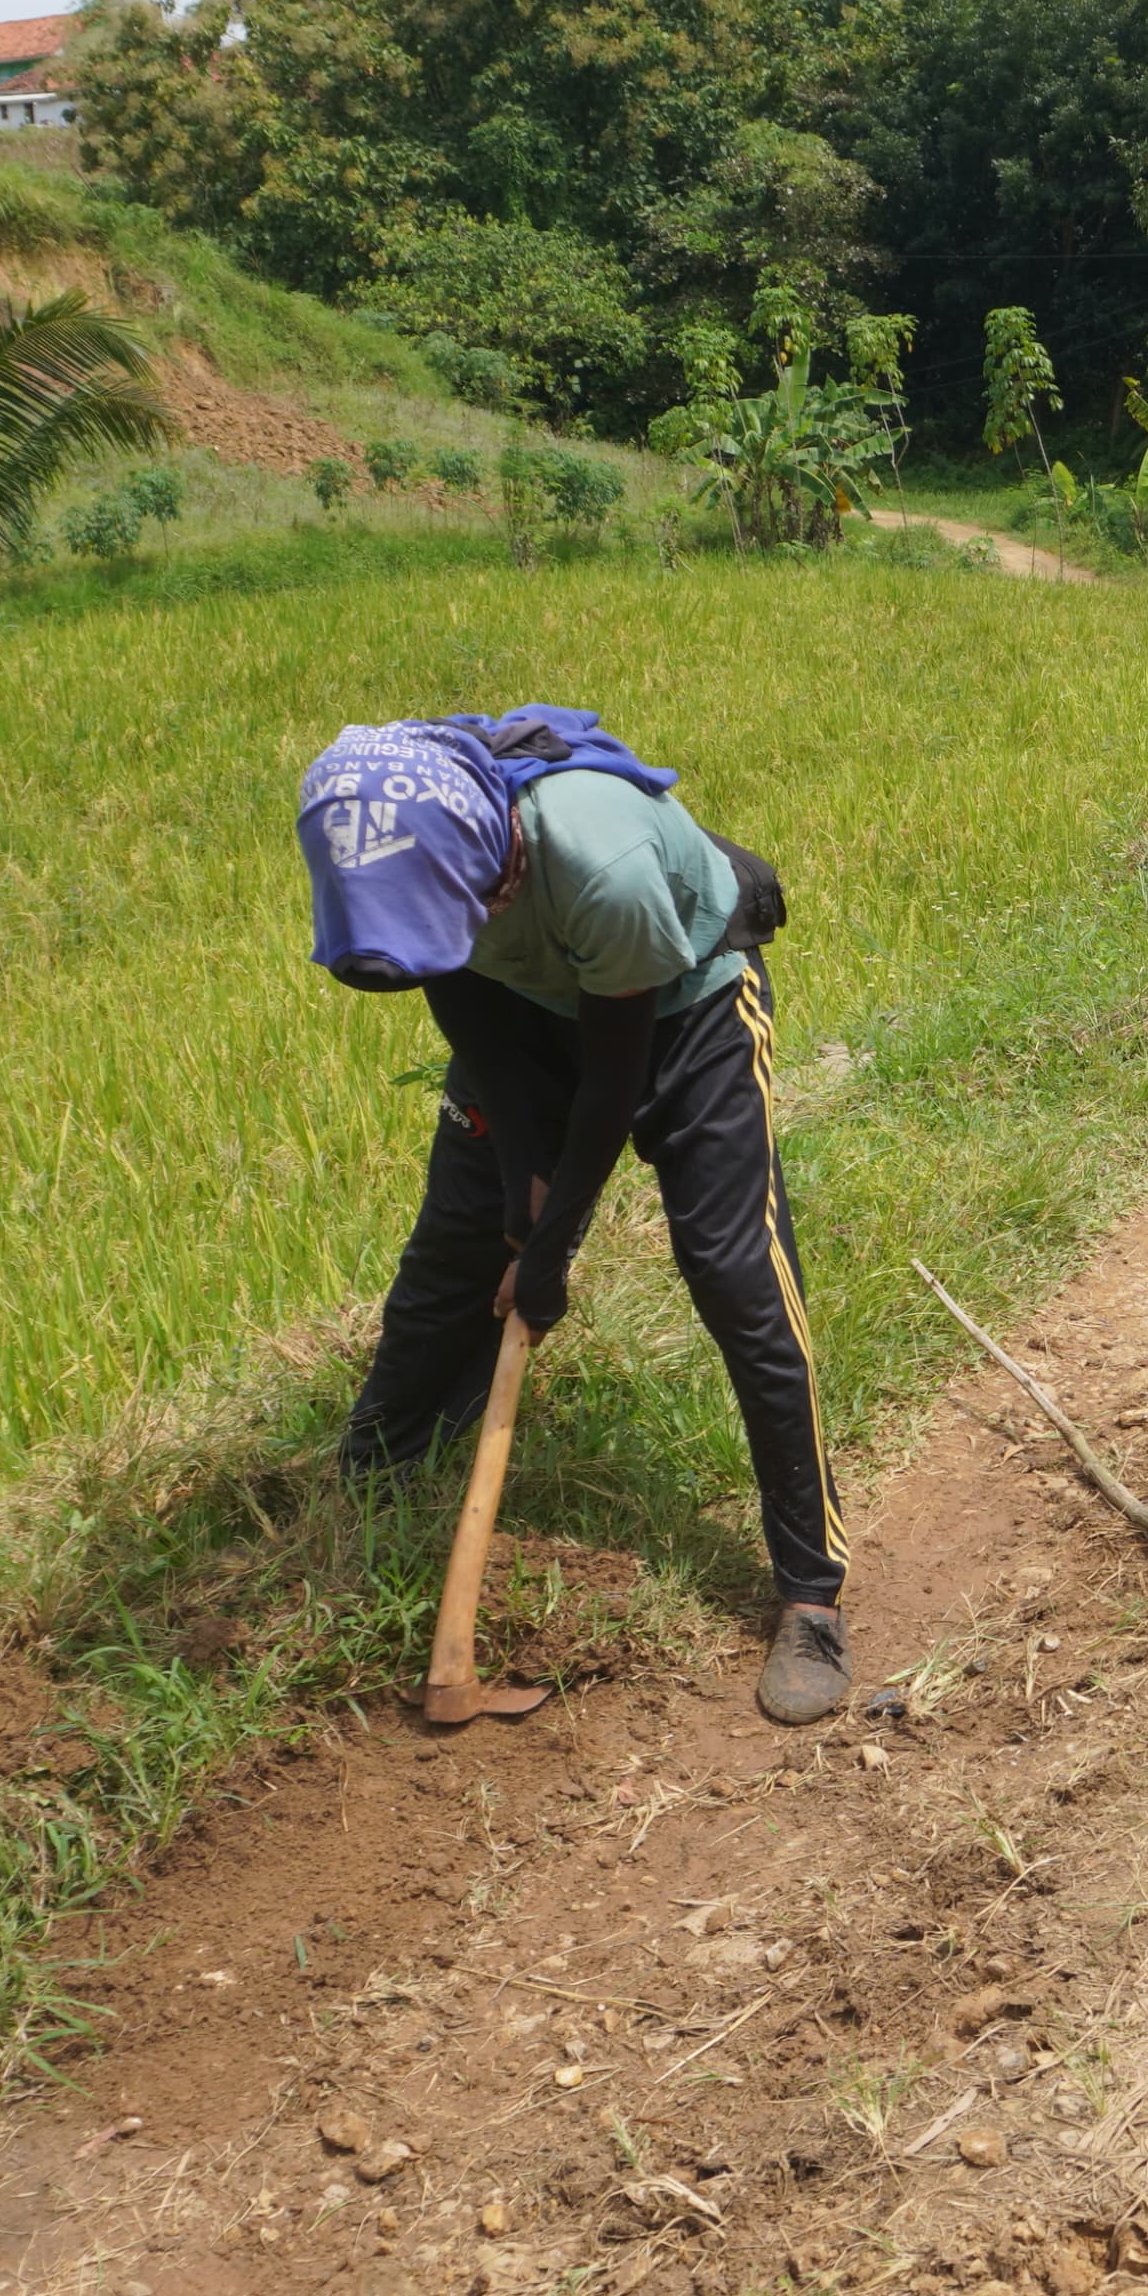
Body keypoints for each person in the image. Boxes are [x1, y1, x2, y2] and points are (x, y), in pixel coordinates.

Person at [294, 707, 851, 1725]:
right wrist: (522, 1190)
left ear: (490, 865)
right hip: (526, 1019)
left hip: (682, 1011)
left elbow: (612, 1083)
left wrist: (552, 1250)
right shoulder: (401, 876)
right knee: (458, 1246)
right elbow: (478, 1034)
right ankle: (374, 1482)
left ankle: (811, 1592)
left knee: (734, 1273)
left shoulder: (603, 862)